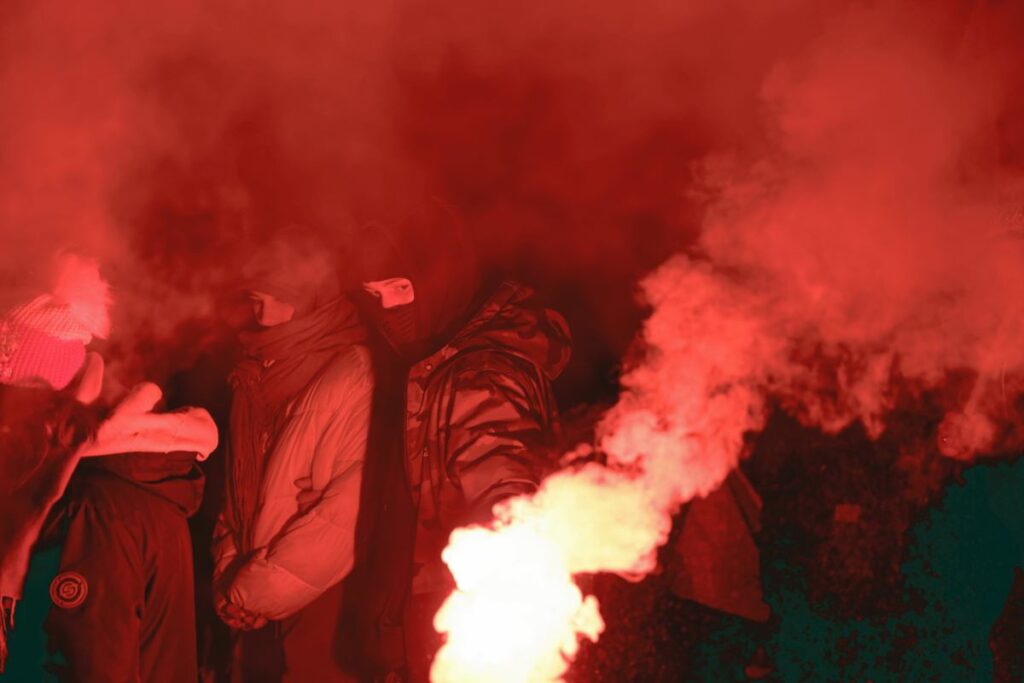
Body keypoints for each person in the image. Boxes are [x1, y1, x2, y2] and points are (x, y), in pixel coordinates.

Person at [346, 201, 572, 682]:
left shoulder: (479, 375)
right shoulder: (425, 366)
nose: (389, 308)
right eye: (375, 293)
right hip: (418, 626)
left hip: (463, 632)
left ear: (442, 274)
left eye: (401, 287)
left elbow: (503, 493)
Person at [0, 255, 219, 682]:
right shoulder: (96, 482)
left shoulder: (89, 510)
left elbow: (84, 667)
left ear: (51, 405)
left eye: (12, 401)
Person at [212, 237, 373, 682]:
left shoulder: (353, 375)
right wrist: (228, 576)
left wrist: (254, 593)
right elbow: (235, 491)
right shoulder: (251, 374)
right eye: (256, 300)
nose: (263, 316)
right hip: (252, 604)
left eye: (278, 300)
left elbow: (345, 512)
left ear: (311, 299)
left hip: (324, 608)